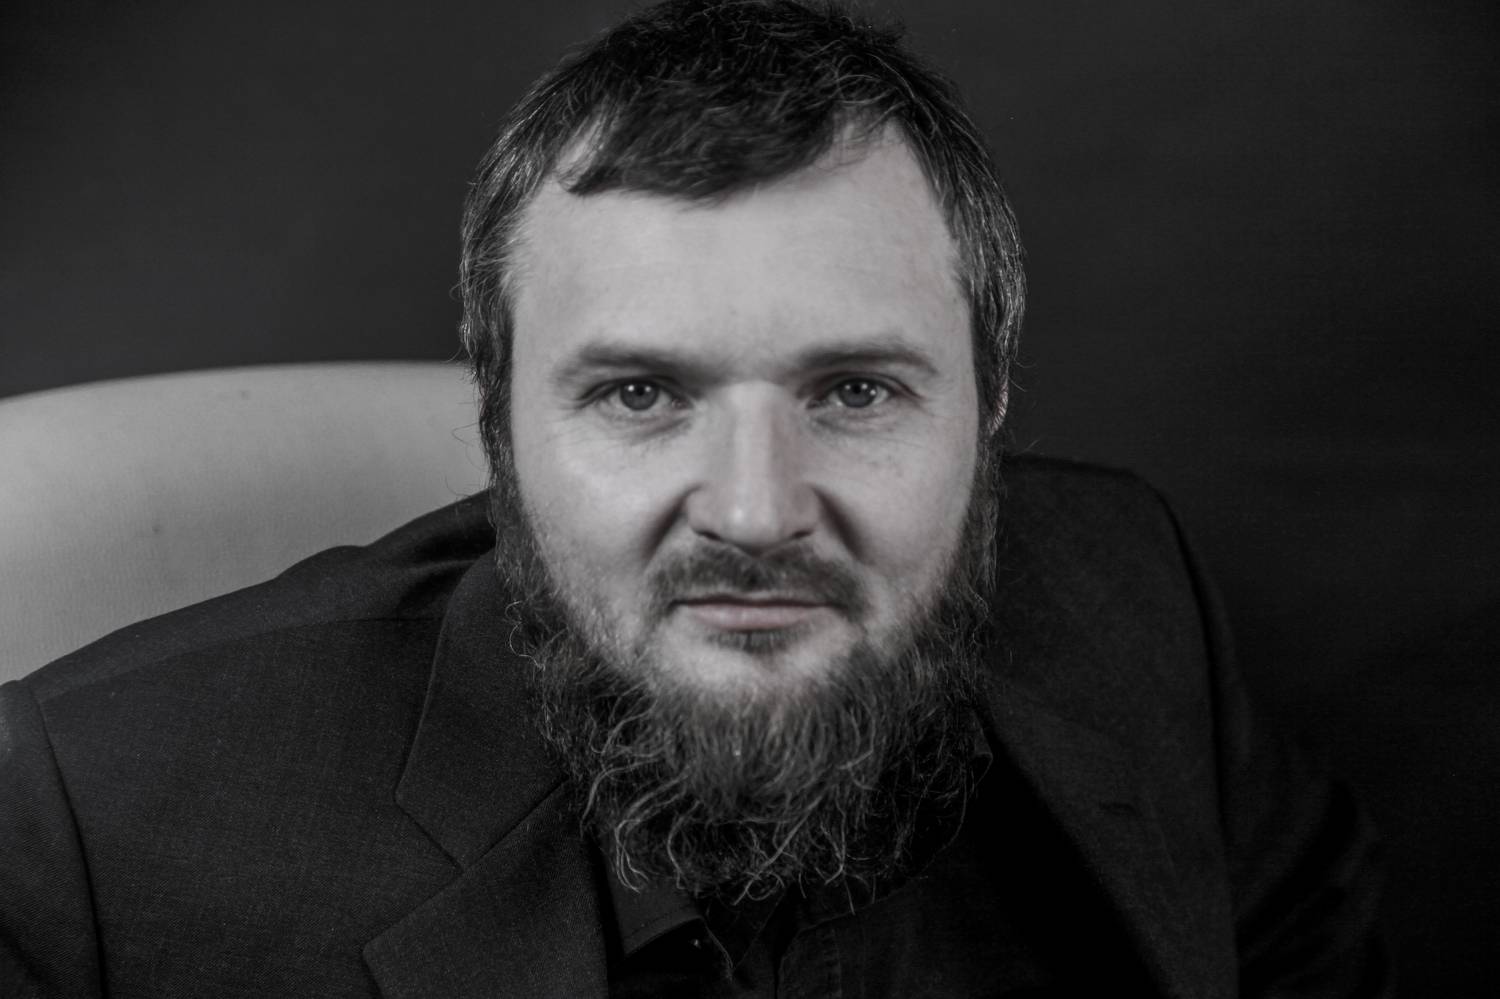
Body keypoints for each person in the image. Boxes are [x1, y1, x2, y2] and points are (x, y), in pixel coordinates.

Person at [0, 1, 1387, 996]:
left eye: (855, 391)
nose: (755, 514)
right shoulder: (89, 832)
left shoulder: (1130, 590)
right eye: (640, 395)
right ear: (499, 427)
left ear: (993, 402)